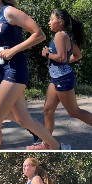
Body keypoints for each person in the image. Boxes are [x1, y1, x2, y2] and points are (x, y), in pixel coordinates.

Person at [0, 0, 70, 150]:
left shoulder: (8, 12)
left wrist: (12, 50)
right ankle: (58, 147)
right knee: (23, 119)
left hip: (14, 68)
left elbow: (39, 34)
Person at [27, 9, 92, 150]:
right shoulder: (65, 35)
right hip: (56, 78)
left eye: (51, 19)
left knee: (75, 112)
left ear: (60, 22)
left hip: (62, 79)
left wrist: (47, 54)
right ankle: (47, 144)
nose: (49, 22)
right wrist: (65, 62)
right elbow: (77, 55)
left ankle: (46, 143)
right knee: (48, 111)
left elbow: (62, 58)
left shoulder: (60, 36)